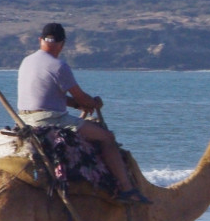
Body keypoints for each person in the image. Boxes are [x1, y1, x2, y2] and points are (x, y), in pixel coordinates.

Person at [16, 22, 149, 204]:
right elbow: (82, 98)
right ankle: (127, 189)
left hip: (23, 118)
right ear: (62, 44)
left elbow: (47, 95)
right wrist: (93, 103)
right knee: (107, 138)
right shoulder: (58, 66)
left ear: (40, 40)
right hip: (49, 119)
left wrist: (77, 105)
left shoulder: (27, 61)